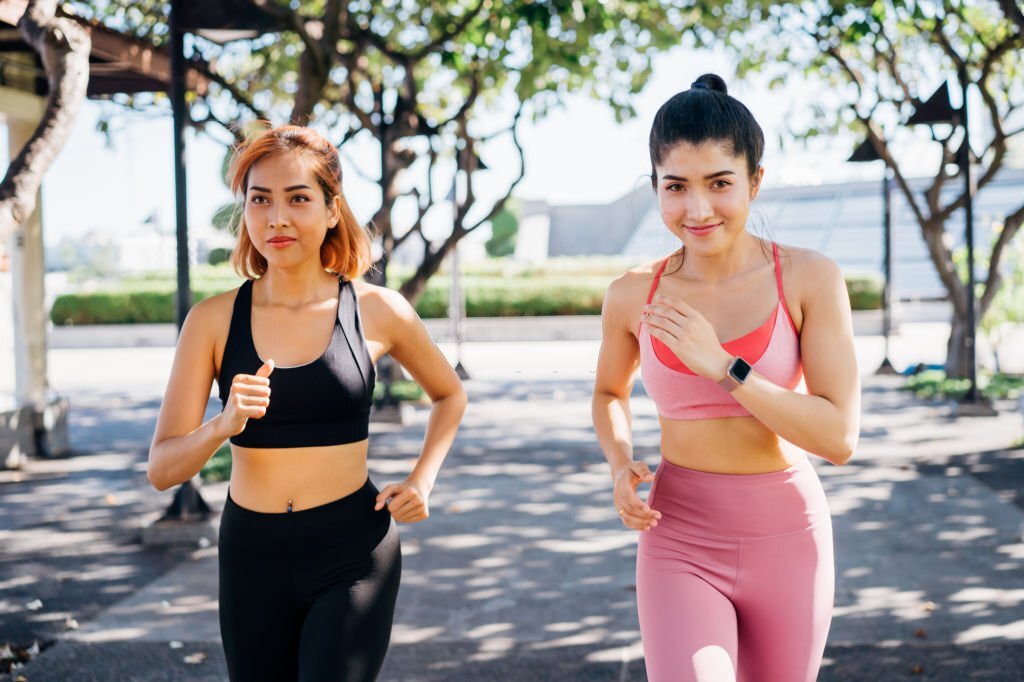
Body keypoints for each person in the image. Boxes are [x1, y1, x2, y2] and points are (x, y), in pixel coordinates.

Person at [147, 125, 467, 681]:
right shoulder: (213, 320)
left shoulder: (378, 309)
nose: (277, 219)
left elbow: (449, 394)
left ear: (331, 208)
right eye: (260, 200)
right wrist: (222, 425)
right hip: (252, 555)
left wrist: (421, 480)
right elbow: (162, 469)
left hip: (352, 551)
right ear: (244, 211)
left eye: (298, 199)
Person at [591, 73, 861, 682]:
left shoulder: (809, 278)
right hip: (678, 532)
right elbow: (610, 393)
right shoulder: (633, 294)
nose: (698, 209)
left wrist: (725, 368)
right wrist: (620, 463)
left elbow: (840, 437)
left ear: (755, 181)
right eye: (675, 187)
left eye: (719, 184)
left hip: (789, 537)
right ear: (655, 187)